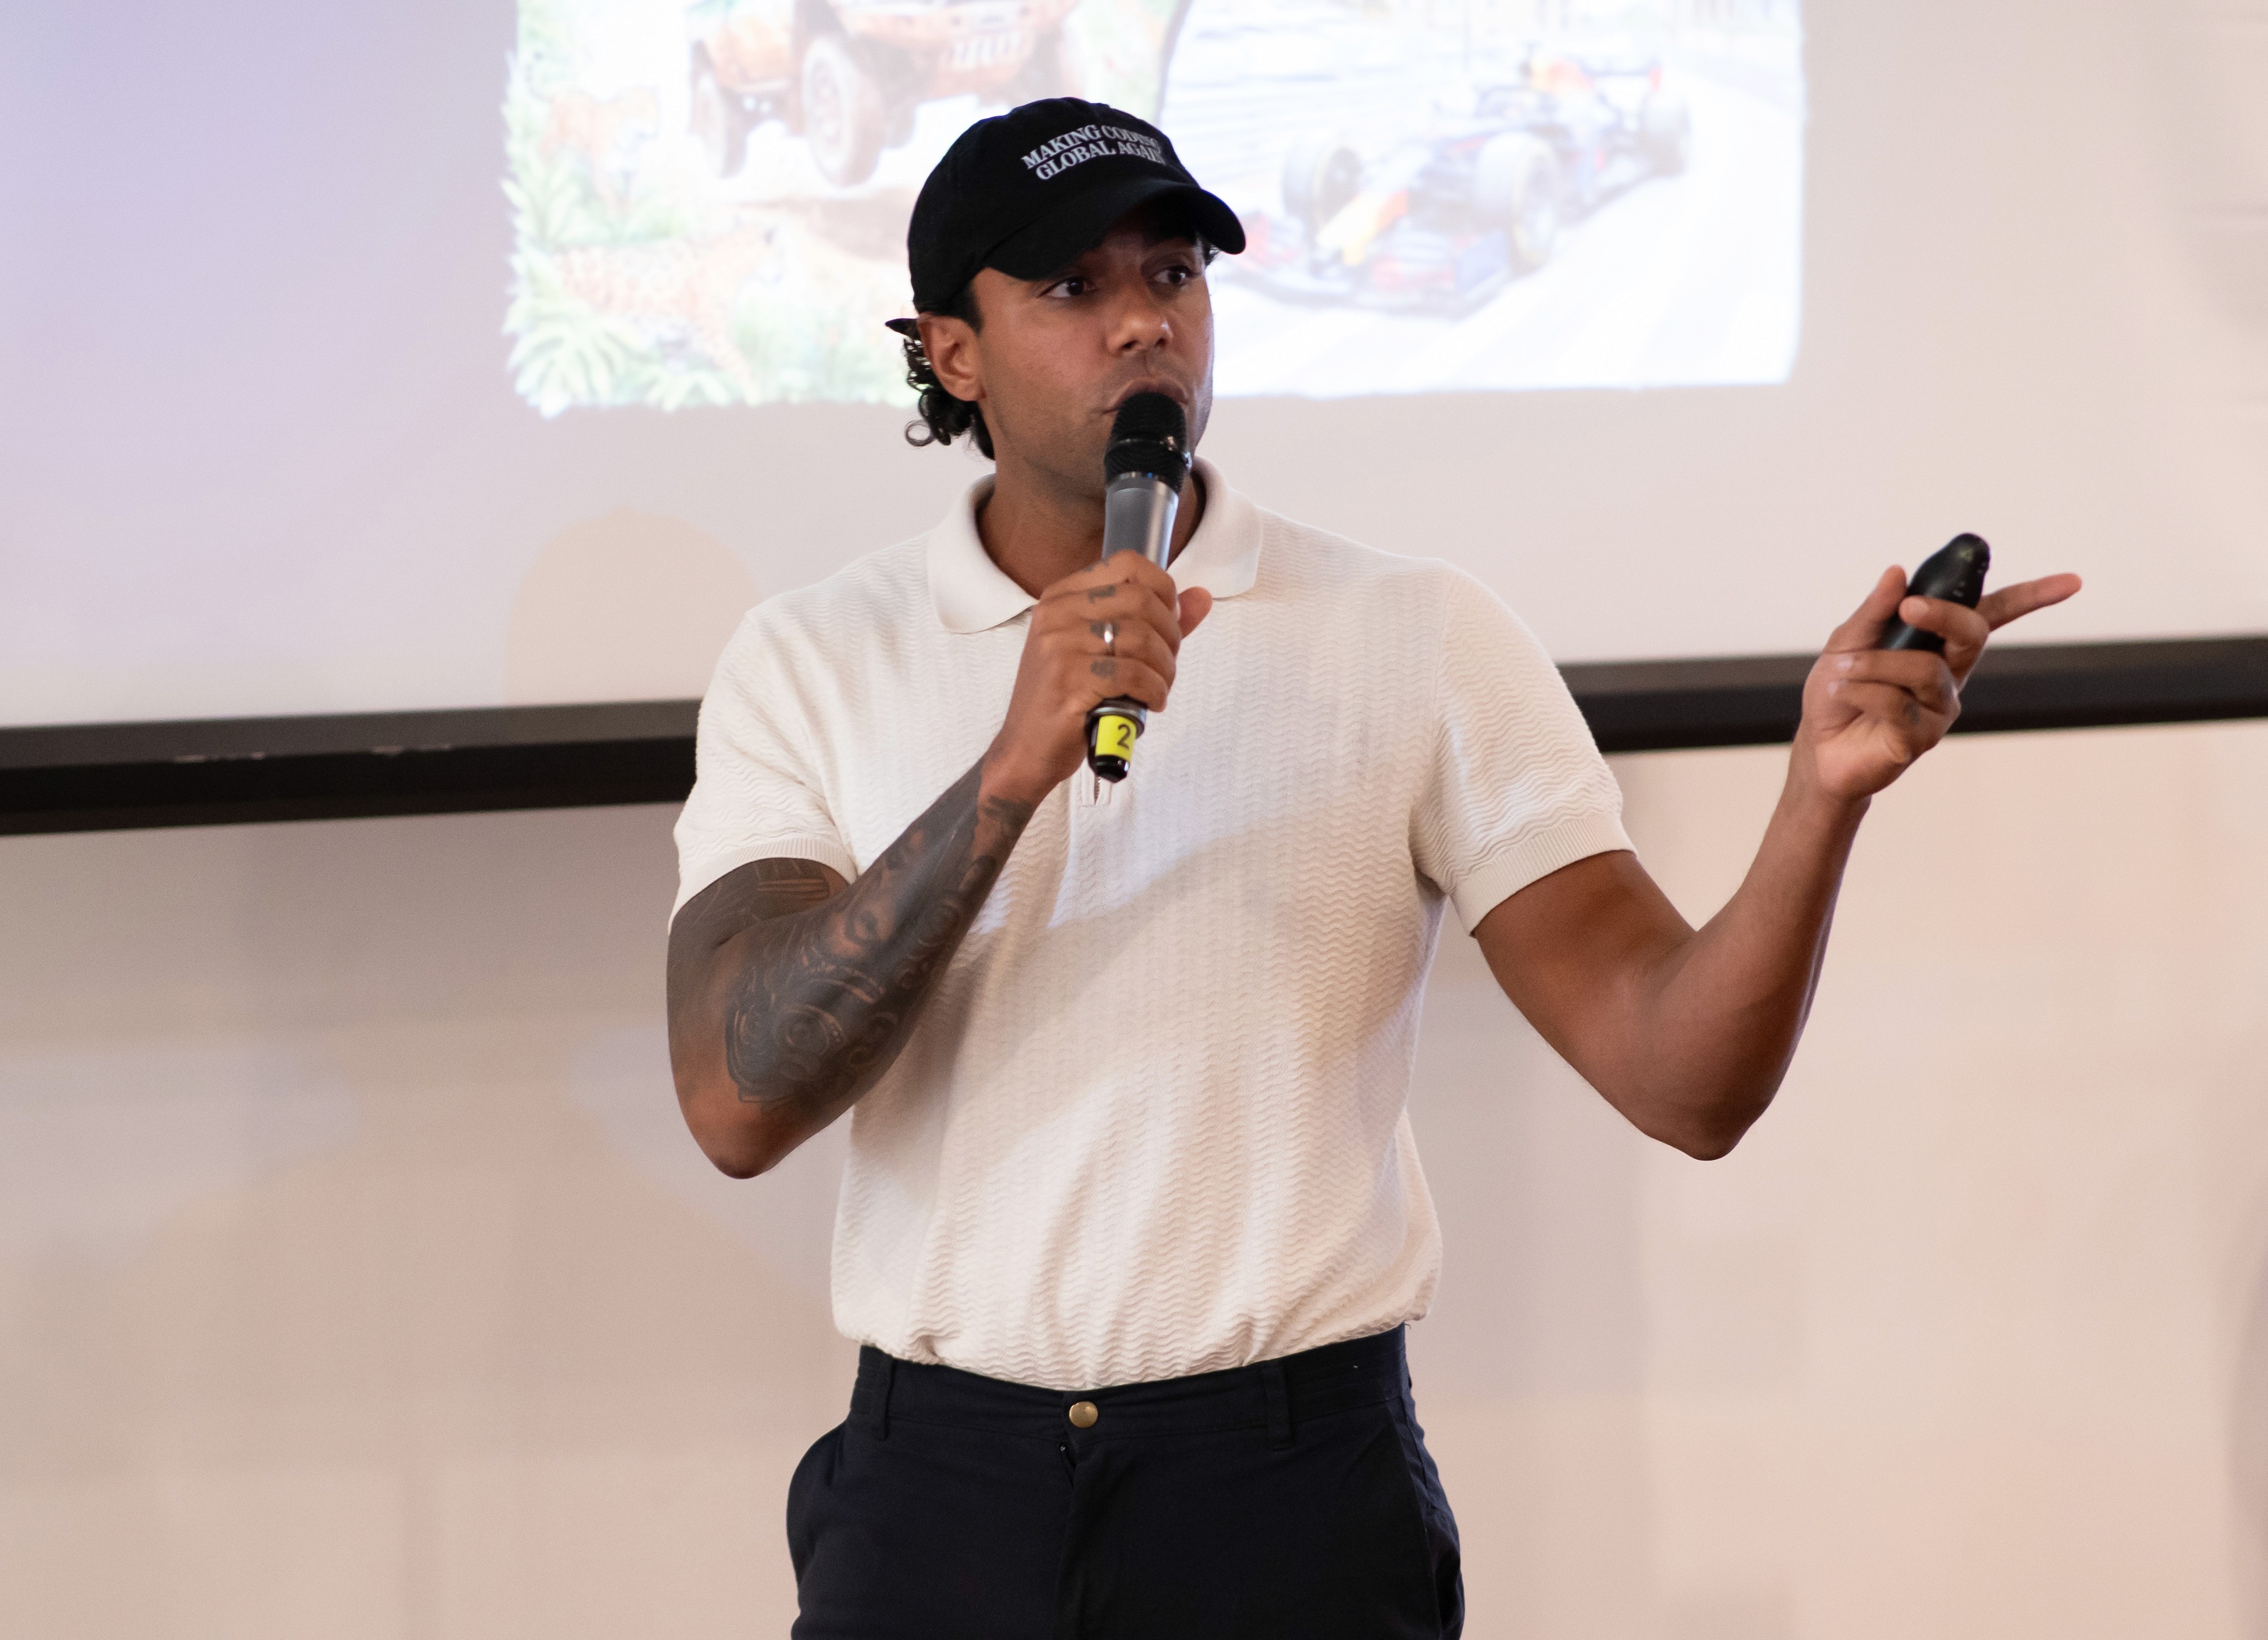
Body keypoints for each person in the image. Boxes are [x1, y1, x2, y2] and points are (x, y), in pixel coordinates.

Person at [665, 98, 2079, 1638]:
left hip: (1286, 1490)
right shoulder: (807, 657)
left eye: (1175, 273)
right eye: (1074, 289)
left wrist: (1819, 801)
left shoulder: (1412, 635)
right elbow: (738, 1101)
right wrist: (1012, 773)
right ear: (953, 351)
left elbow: (1686, 1081)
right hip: (942, 1493)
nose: (1145, 323)